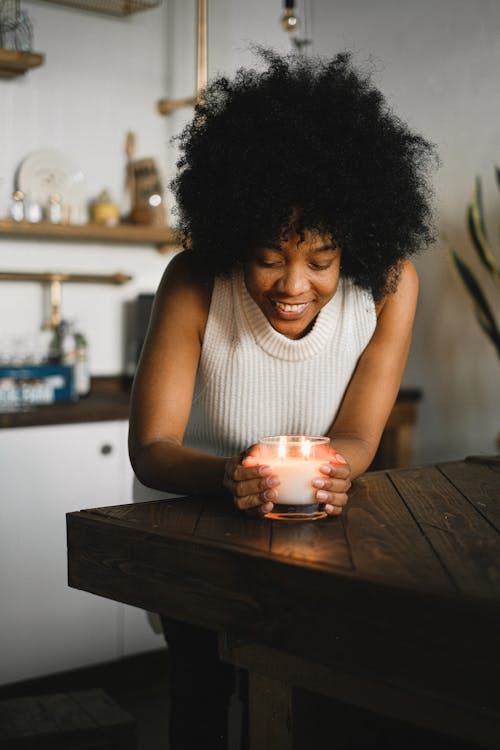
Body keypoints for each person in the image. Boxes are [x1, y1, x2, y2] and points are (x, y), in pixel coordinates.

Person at [128, 48, 437, 749]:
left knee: (305, 695)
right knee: (200, 694)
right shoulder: (195, 280)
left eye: (322, 262)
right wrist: (232, 475)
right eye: (269, 257)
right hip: (192, 531)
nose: (293, 285)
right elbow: (150, 450)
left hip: (307, 534)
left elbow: (359, 436)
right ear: (236, 234)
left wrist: (337, 474)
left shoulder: (389, 285)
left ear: (354, 245)